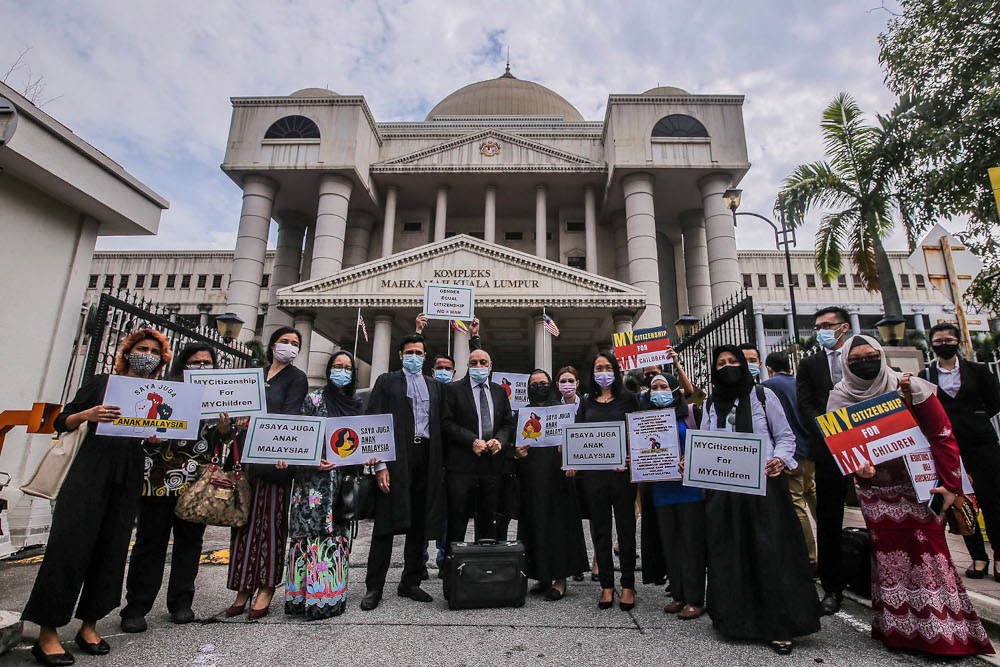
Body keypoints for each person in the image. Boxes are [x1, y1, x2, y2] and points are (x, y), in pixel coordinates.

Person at [832, 334, 994, 656]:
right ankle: (900, 633)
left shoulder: (910, 386)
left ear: (881, 355)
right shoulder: (839, 398)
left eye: (870, 356)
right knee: (890, 560)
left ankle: (946, 635)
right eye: (855, 360)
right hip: (877, 494)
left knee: (929, 556)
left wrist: (950, 485)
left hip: (921, 487)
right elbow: (844, 449)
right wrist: (856, 469)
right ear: (845, 365)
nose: (864, 363)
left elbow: (942, 434)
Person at [23, 328, 171, 666]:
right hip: (89, 471)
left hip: (128, 473)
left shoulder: (158, 394)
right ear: (129, 351)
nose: (146, 355)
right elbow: (61, 421)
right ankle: (47, 634)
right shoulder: (102, 383)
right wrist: (87, 415)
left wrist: (155, 439)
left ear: (160, 361)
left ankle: (89, 626)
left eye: (154, 352)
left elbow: (151, 439)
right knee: (69, 547)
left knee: (113, 550)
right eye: (141, 348)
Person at [701, 345, 820, 655]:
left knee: (770, 553)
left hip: (765, 487)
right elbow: (705, 441)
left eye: (732, 362)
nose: (727, 367)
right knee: (732, 552)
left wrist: (780, 459)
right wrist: (691, 462)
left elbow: (785, 437)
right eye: (721, 363)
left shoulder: (764, 396)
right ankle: (735, 620)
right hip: (726, 491)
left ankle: (779, 625)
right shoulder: (711, 403)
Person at [120, 343, 223, 633]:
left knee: (190, 544)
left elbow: (220, 438)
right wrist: (148, 433)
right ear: (183, 364)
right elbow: (139, 424)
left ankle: (181, 602)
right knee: (150, 542)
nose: (201, 367)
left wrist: (228, 428)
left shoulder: (218, 396)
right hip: (158, 478)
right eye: (195, 362)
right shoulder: (166, 389)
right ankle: (137, 606)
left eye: (206, 362)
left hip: (196, 481)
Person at [225, 326, 309, 620]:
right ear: (273, 345)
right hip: (245, 458)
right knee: (244, 523)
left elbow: (290, 414)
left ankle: (266, 588)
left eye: (295, 343)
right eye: (284, 341)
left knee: (270, 525)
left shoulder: (297, 378)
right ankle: (242, 587)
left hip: (275, 459)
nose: (289, 346)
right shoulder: (255, 374)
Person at [286, 351, 374, 620]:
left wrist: (368, 456)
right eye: (337, 366)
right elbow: (299, 437)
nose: (342, 371)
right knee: (308, 538)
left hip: (340, 485)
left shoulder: (356, 404)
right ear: (328, 369)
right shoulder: (313, 399)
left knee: (335, 539)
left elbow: (360, 443)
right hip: (312, 484)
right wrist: (314, 461)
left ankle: (329, 598)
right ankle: (302, 599)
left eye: (347, 368)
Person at [361, 333, 446, 611]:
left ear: (425, 357)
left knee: (418, 524)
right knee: (385, 524)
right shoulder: (387, 381)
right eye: (409, 352)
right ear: (400, 355)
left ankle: (409, 581)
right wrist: (380, 465)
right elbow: (373, 421)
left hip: (426, 456)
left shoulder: (434, 385)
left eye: (419, 353)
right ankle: (374, 586)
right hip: (396, 457)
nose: (414, 357)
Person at [923, 322, 1000, 580]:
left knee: (993, 500)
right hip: (949, 448)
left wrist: (975, 419)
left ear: (958, 342)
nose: (944, 345)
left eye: (949, 339)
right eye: (938, 341)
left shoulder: (978, 372)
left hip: (983, 444)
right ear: (931, 344)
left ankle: (999, 556)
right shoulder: (926, 376)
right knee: (961, 502)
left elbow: (994, 402)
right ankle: (978, 557)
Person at [797, 305, 853, 614]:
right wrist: (830, 428)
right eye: (818, 326)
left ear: (843, 327)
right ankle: (832, 589)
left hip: (869, 446)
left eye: (827, 325)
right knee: (830, 518)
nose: (821, 330)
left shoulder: (862, 355)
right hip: (829, 447)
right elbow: (805, 403)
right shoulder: (810, 364)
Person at [515, 370, 589, 601]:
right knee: (535, 524)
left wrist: (571, 452)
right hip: (532, 478)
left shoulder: (564, 411)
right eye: (534, 384)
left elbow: (578, 440)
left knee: (559, 525)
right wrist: (516, 452)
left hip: (558, 477)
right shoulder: (523, 413)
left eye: (543, 383)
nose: (539, 387)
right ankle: (541, 576)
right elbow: (514, 443)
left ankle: (560, 579)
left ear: (551, 385)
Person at [575, 352, 639, 611]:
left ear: (616, 370)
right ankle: (606, 586)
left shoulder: (630, 399)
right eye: (598, 367)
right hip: (594, 476)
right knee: (600, 531)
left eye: (607, 367)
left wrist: (631, 455)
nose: (603, 372)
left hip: (622, 475)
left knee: (625, 530)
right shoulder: (587, 401)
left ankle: (628, 585)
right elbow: (578, 434)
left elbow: (641, 432)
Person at [638, 373, 705, 619]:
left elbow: (706, 443)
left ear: (674, 389)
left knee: (691, 545)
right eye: (654, 387)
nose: (658, 391)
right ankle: (678, 595)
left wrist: (692, 458)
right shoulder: (644, 417)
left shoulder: (690, 413)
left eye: (663, 386)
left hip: (690, 490)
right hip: (661, 491)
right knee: (670, 544)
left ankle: (696, 599)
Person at [441, 348, 515, 543]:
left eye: (483, 362)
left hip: (492, 467)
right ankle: (451, 567)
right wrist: (471, 441)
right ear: (467, 366)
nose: (478, 366)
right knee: (457, 520)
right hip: (461, 466)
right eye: (473, 363)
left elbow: (508, 423)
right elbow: (446, 423)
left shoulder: (500, 391)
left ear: (491, 367)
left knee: (488, 519)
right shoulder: (453, 389)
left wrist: (500, 439)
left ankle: (484, 567)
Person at [762, 351, 818, 570]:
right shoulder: (799, 384)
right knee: (813, 497)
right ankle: (834, 548)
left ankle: (810, 558)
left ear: (769, 368)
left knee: (797, 505)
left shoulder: (768, 387)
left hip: (789, 454)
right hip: (809, 449)